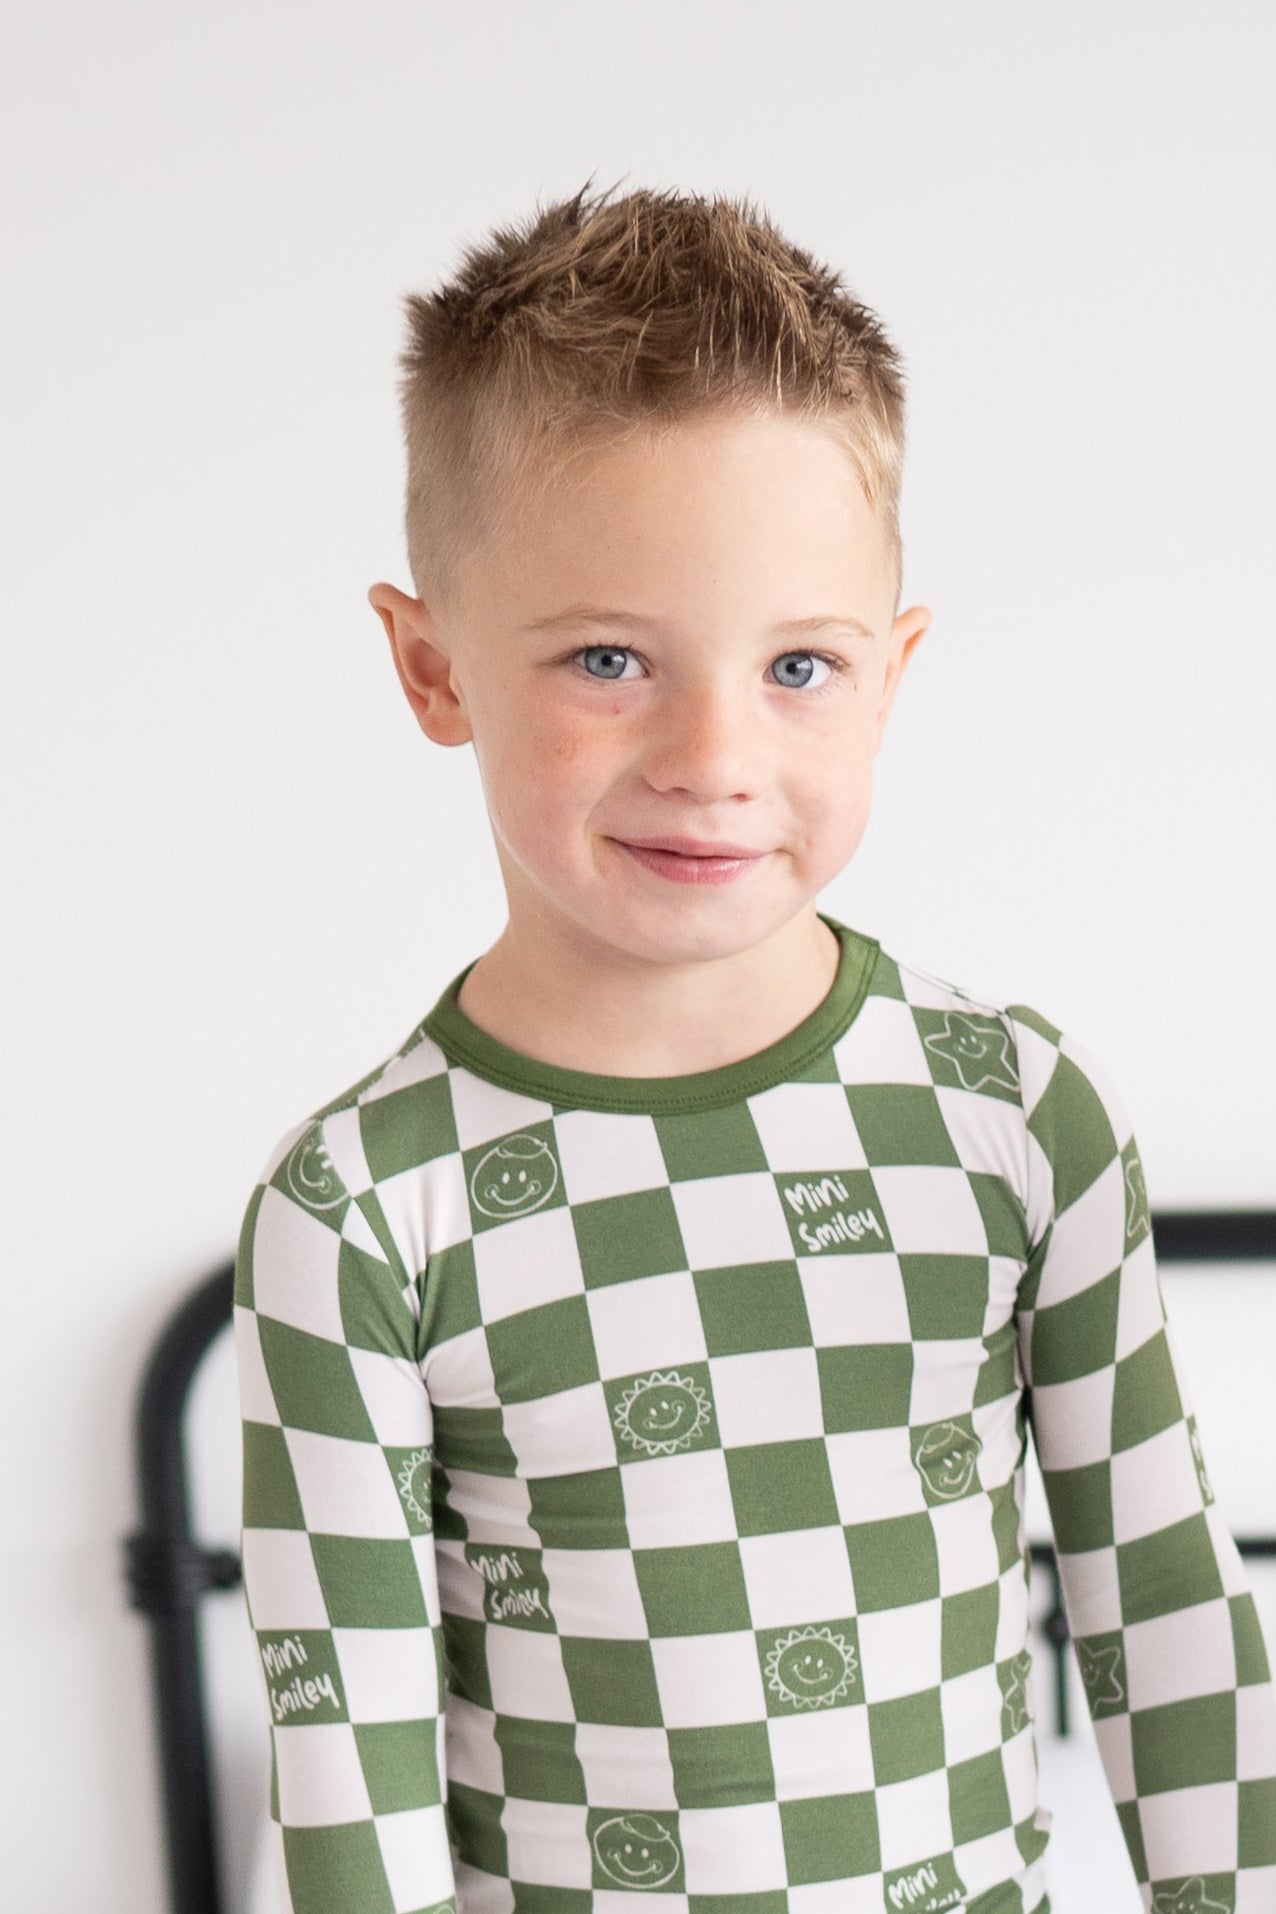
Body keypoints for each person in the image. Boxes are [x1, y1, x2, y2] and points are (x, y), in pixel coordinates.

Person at [233, 178, 1276, 1914]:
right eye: (611, 657)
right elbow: (347, 1777)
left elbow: (1167, 1614)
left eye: (800, 664)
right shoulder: (360, 1209)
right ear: (433, 669)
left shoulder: (1012, 1119)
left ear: (894, 672)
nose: (714, 754)